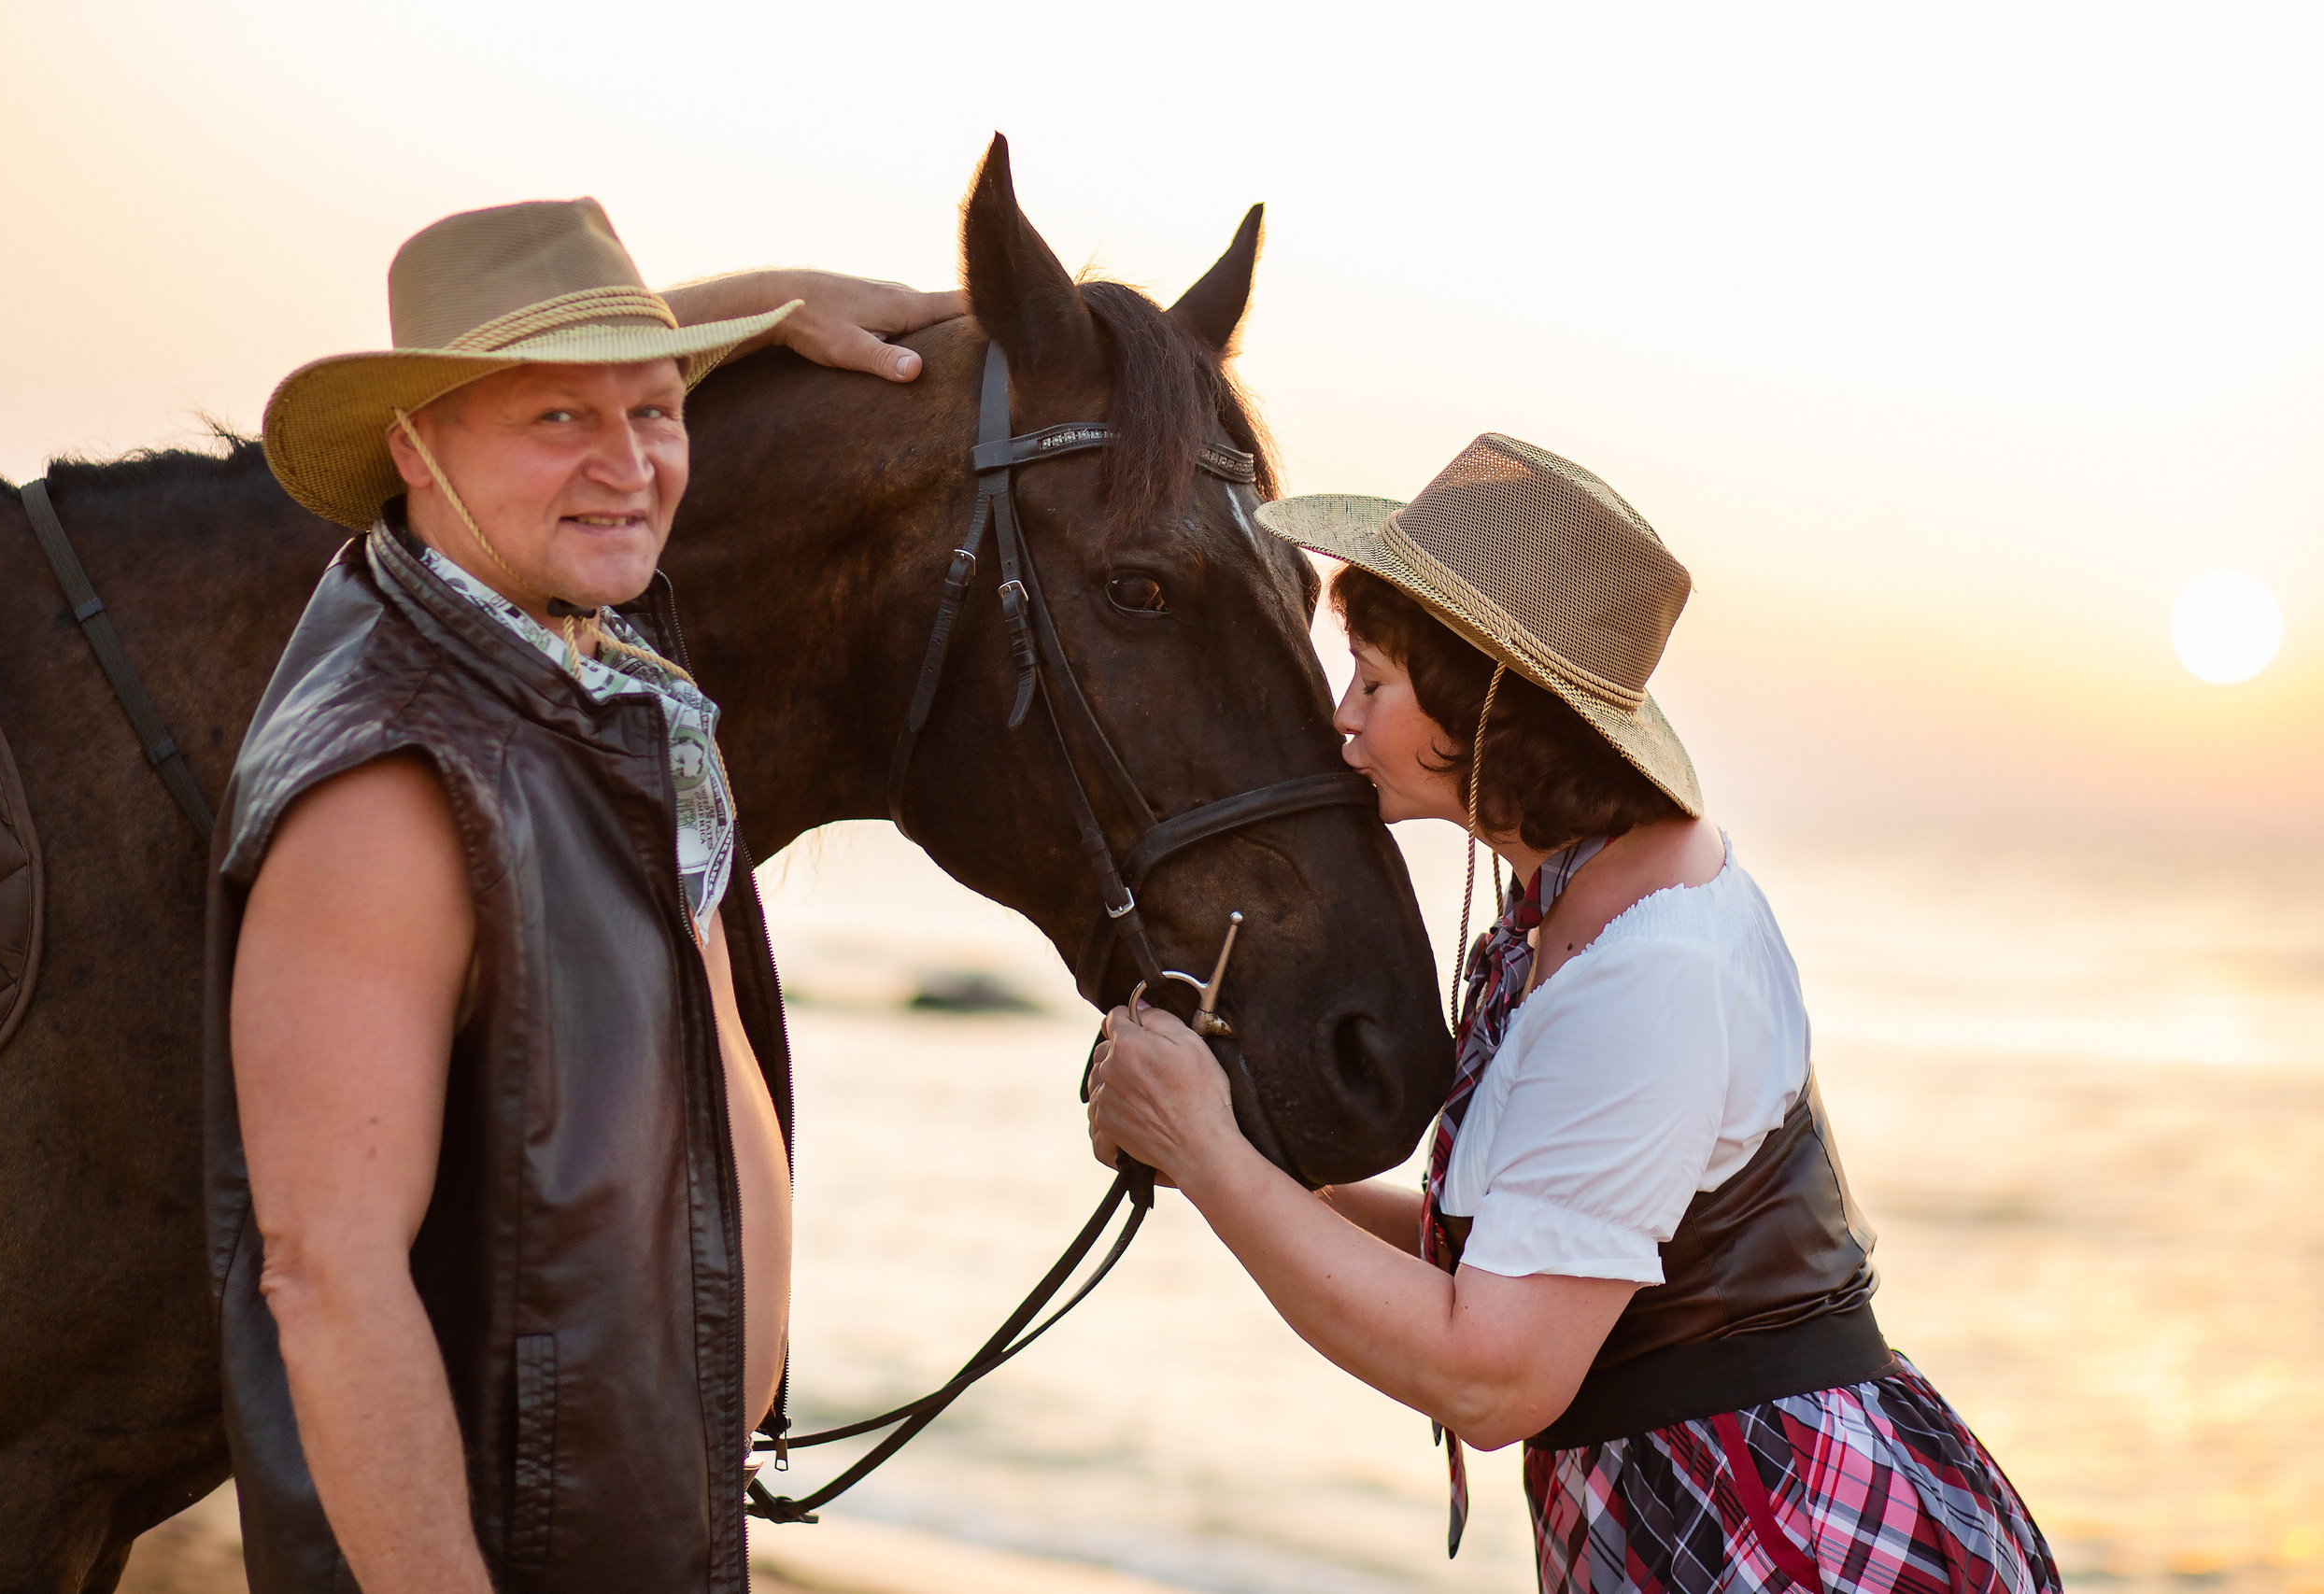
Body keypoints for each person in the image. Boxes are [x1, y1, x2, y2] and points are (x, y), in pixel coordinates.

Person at [1086, 435, 2059, 1593]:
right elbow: (1505, 1256)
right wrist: (1213, 1138)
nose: (1338, 718)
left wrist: (1204, 1148)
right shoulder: (1570, 896)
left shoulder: (1649, 972)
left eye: (1375, 680)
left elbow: (1493, 1377)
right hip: (1702, 1525)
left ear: (1484, 701)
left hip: (1789, 1544)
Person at [206, 197, 963, 1591]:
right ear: (412, 445)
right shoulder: (396, 779)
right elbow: (328, 1276)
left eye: (660, 411)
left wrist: (760, 303)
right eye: (559, 419)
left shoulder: (576, 679)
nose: (630, 467)